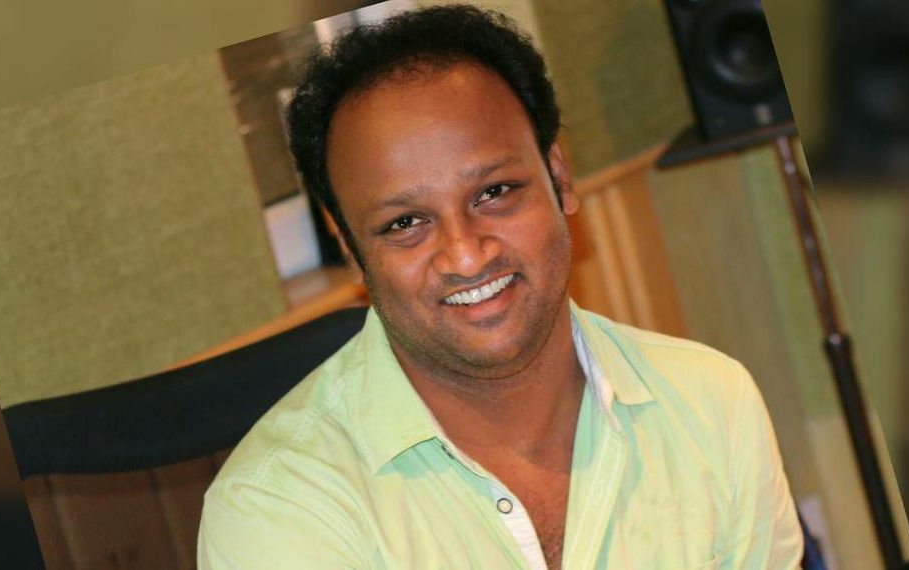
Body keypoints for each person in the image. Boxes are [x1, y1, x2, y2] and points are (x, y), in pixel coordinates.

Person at [197, 5, 803, 568]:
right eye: (404, 223)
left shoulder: (711, 406)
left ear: (559, 179)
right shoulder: (277, 507)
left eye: (494, 192)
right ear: (351, 249)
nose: (466, 255)